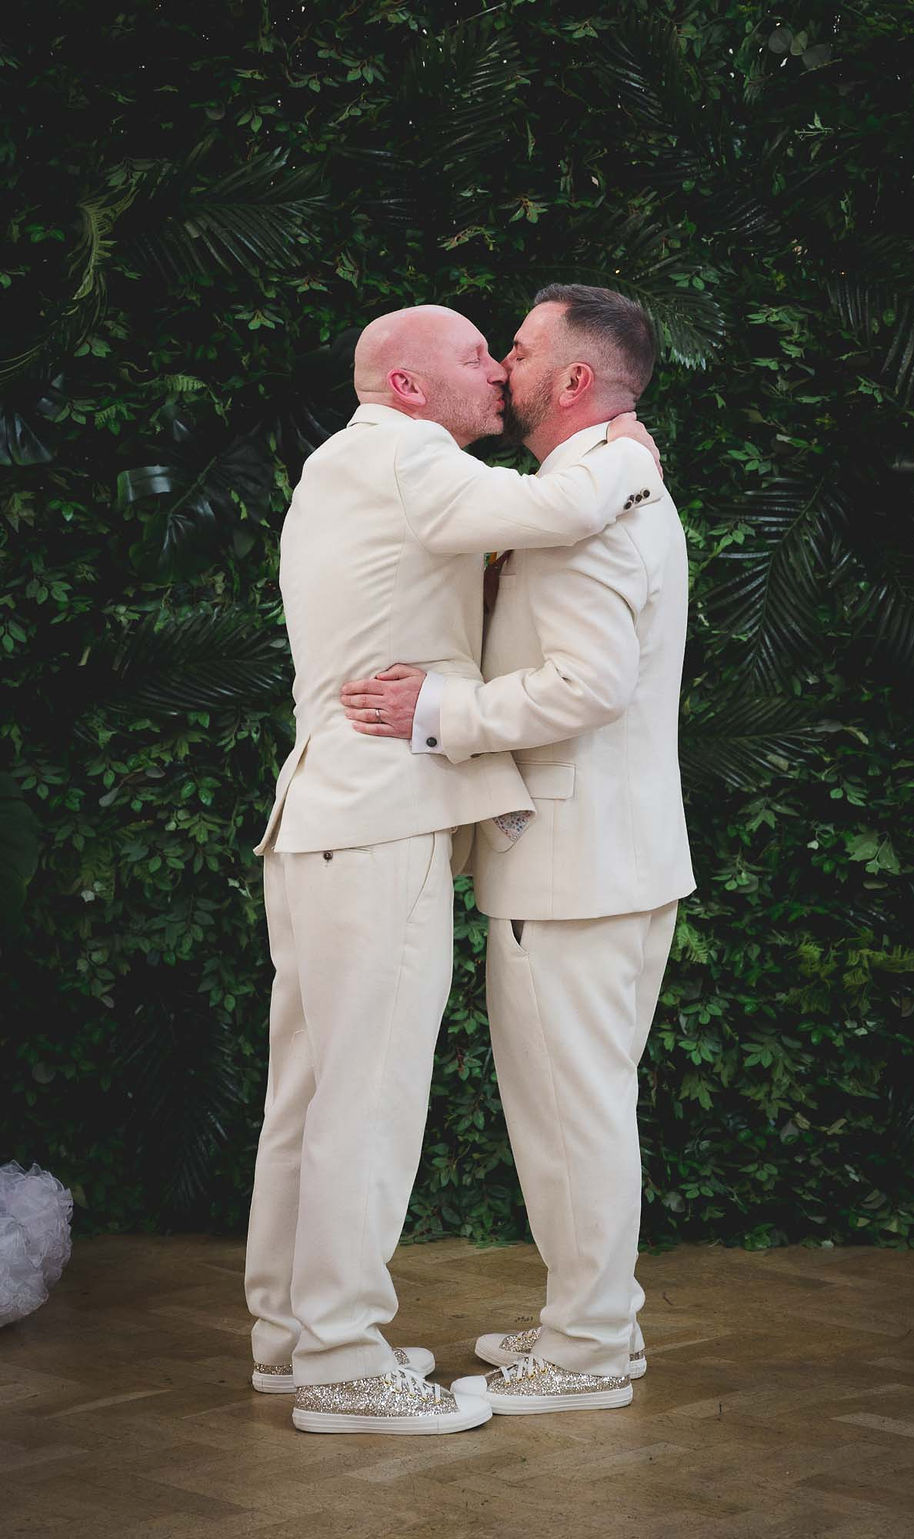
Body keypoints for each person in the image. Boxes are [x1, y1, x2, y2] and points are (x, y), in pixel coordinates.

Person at [245, 301, 663, 1436]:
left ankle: (292, 1339)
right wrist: (630, 455)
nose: (494, 370)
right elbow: (555, 505)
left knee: (316, 1092)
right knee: (366, 1101)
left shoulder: (356, 463)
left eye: (506, 350)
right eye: (476, 355)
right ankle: (337, 1362)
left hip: (332, 816)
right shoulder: (405, 453)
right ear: (411, 386)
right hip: (378, 819)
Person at [340, 285, 694, 1416]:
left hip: (573, 859)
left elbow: (586, 685)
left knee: (571, 1114)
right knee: (584, 1107)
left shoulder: (585, 505)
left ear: (575, 381)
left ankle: (588, 1355)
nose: (501, 364)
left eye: (523, 349)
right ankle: (588, 1325)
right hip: (614, 856)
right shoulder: (607, 483)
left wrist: (440, 709)